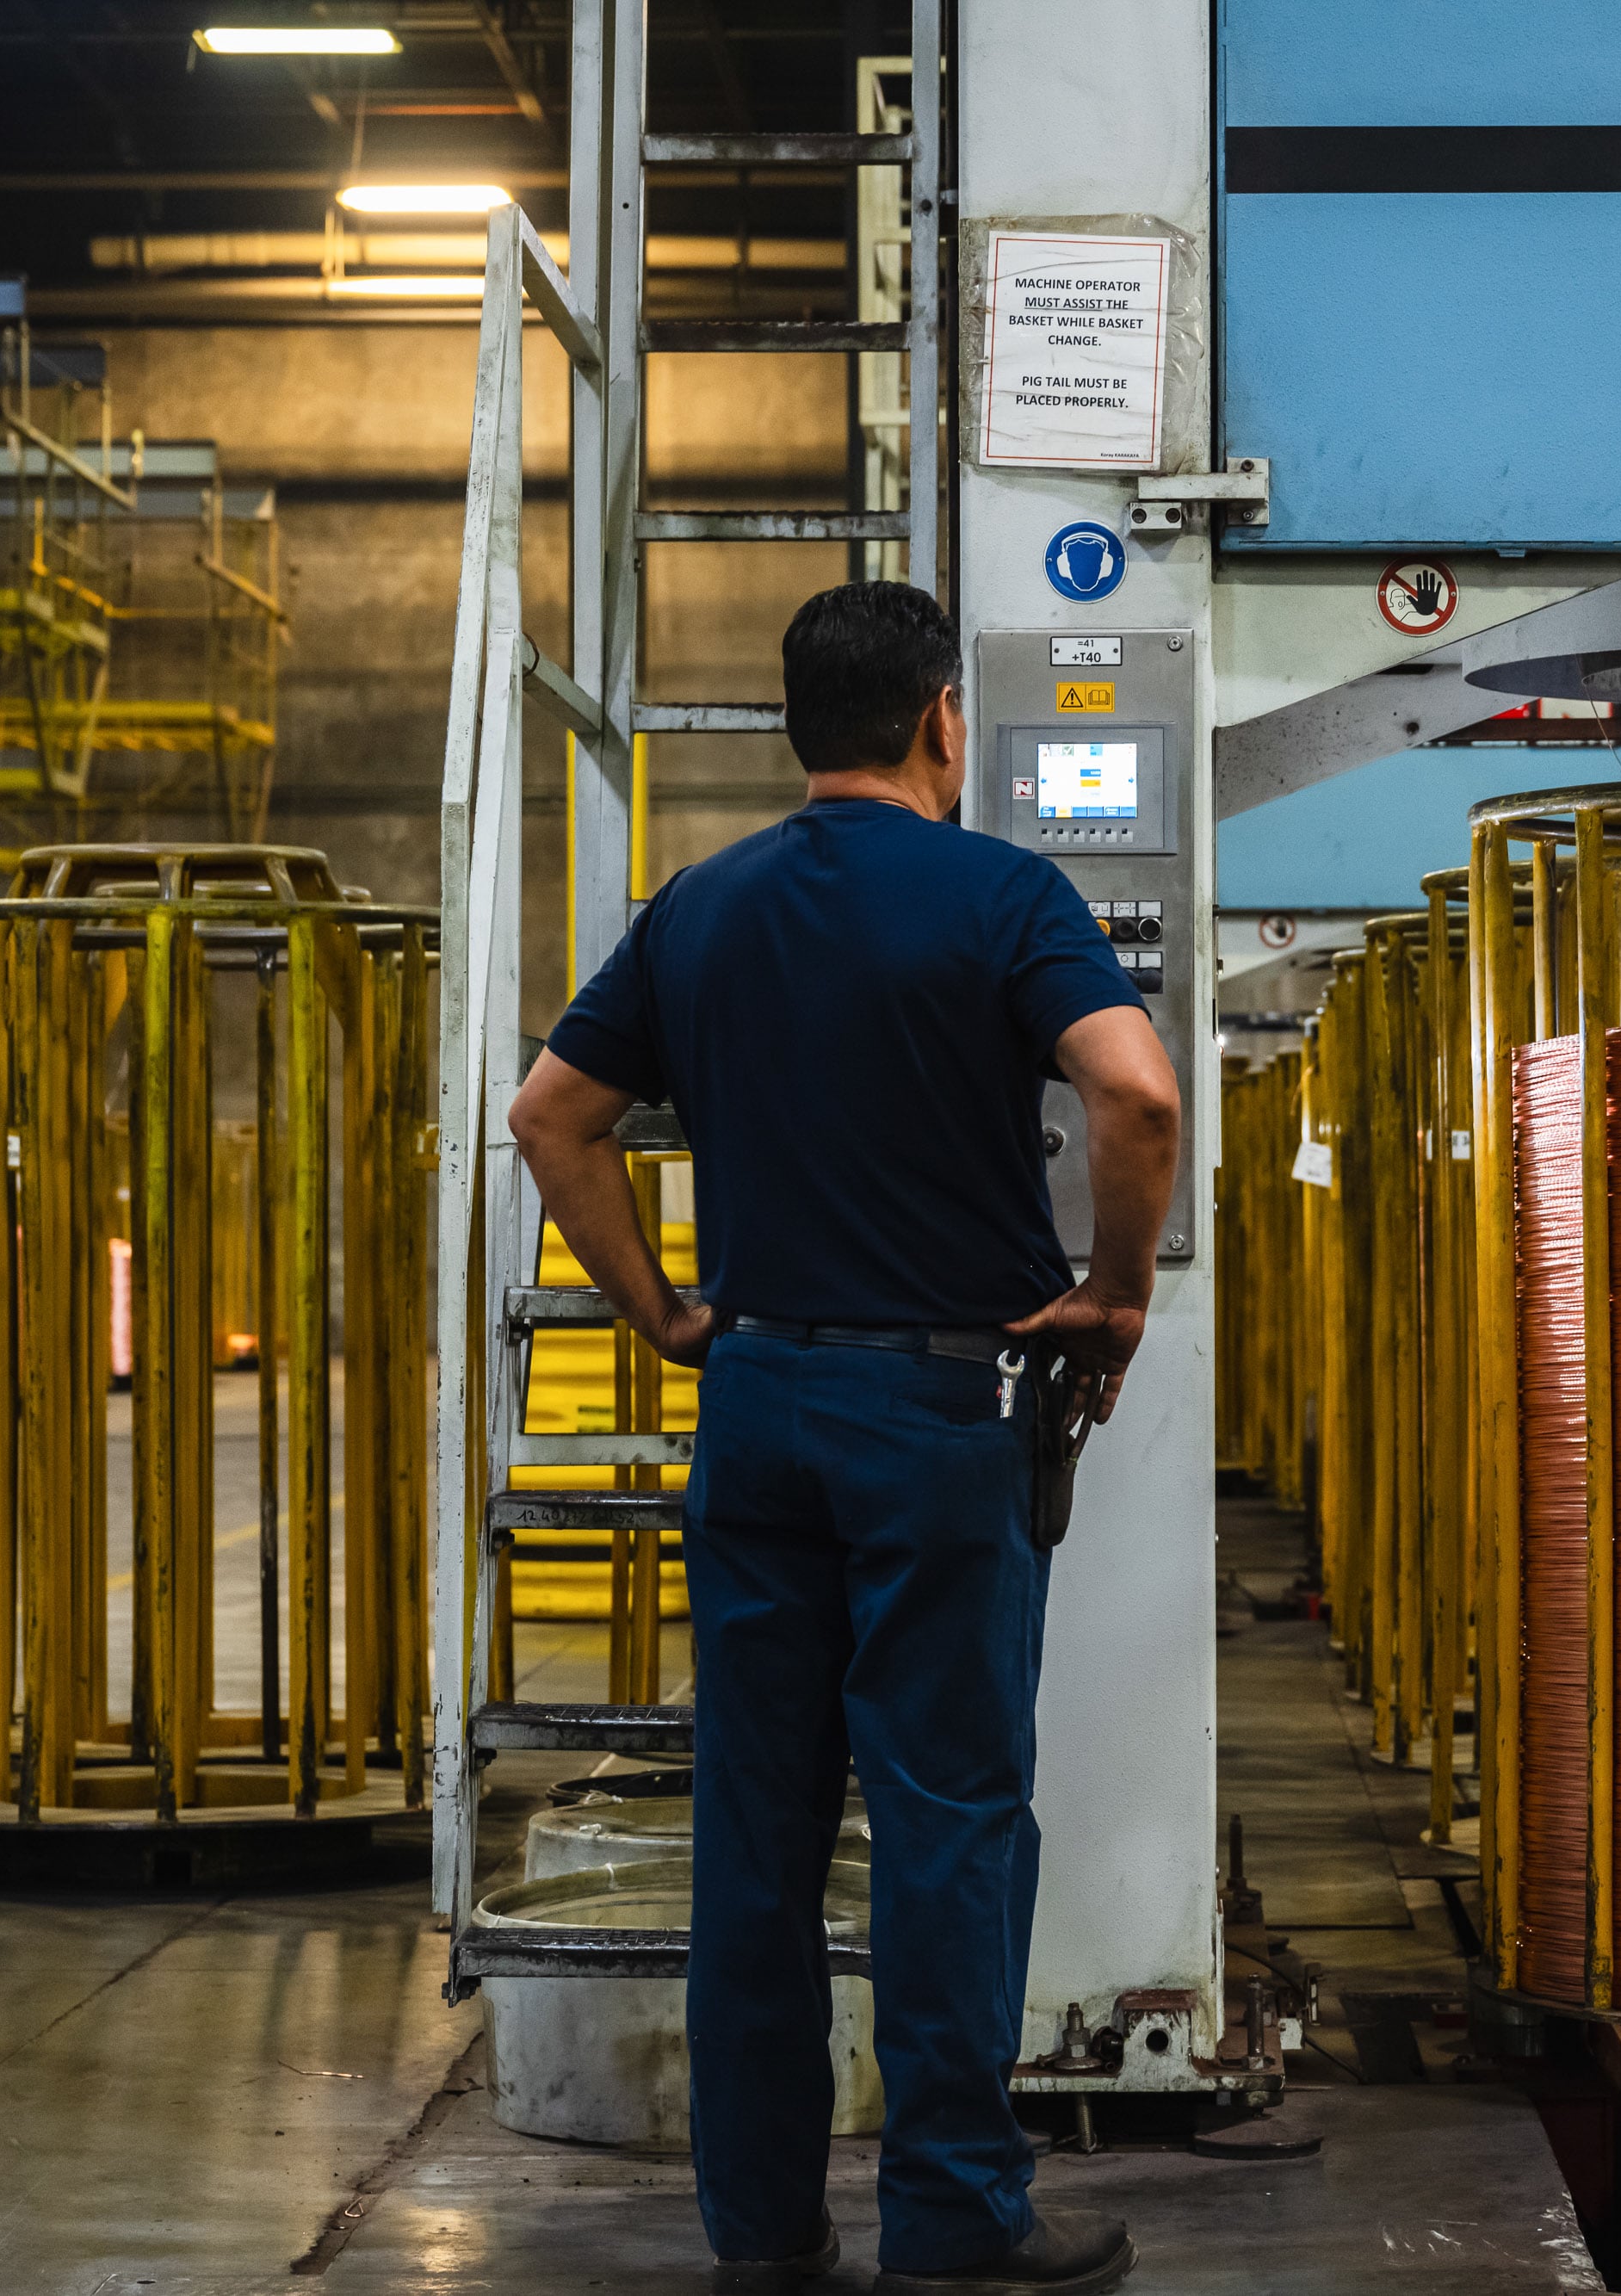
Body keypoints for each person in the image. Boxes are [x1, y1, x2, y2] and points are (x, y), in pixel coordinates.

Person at [507, 580, 1180, 2296]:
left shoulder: (697, 906)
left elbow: (552, 1117)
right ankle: (952, 2215)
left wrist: (665, 1315)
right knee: (948, 1820)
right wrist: (1112, 1291)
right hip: (939, 1416)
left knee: (756, 1833)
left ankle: (764, 2228)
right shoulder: (1002, 895)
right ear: (944, 718)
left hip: (759, 1409)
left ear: (798, 725)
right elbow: (1136, 1091)